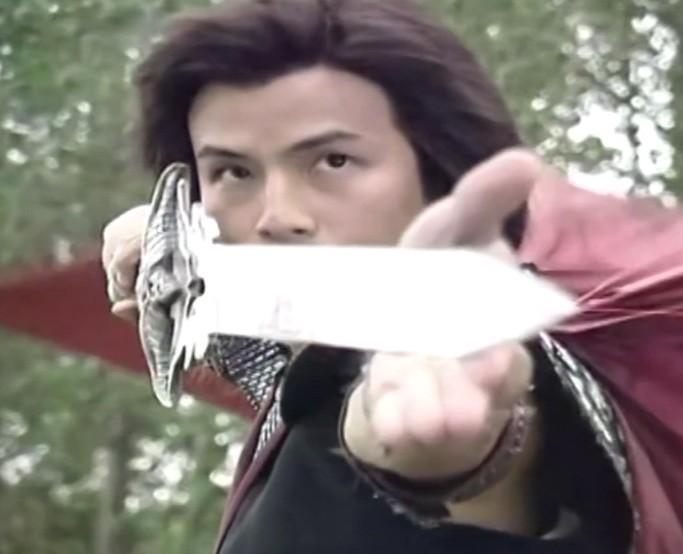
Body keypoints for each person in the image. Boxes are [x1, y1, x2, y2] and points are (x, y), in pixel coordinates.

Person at [102, 0, 633, 552]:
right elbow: (286, 369)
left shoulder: (486, 356)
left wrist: (436, 451)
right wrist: (164, 245)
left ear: (443, 177)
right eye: (234, 171)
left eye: (333, 161)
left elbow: (466, 422)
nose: (277, 216)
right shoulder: (302, 382)